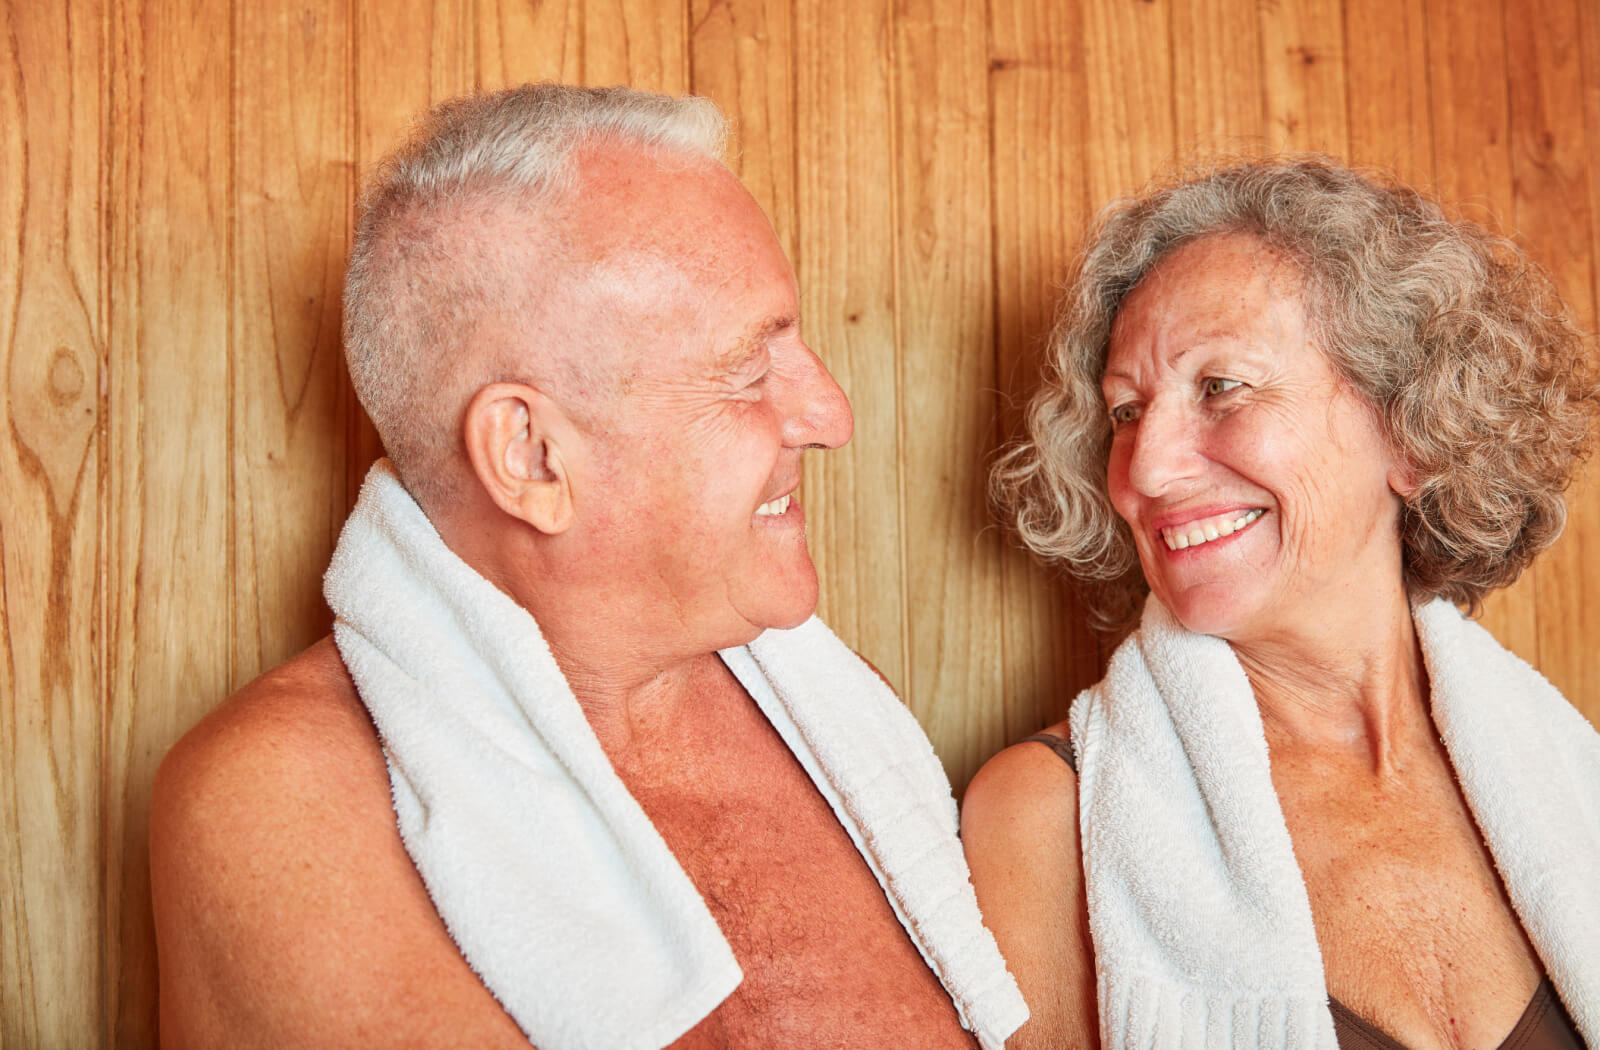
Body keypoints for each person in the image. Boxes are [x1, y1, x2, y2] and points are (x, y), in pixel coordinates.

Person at [149, 83, 1025, 1050]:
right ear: (531, 456)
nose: (831, 416)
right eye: (748, 373)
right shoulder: (277, 804)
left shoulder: (840, 718)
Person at [962, 156, 1600, 1050]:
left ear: (1411, 433)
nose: (1144, 471)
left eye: (1220, 387)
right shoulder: (1044, 817)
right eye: (1127, 413)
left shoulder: (1572, 776)